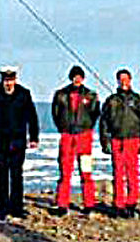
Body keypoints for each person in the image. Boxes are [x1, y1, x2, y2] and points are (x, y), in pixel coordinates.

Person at [0, 66, 39, 220]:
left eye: (10, 80)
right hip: (0, 141)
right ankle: (3, 207)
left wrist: (34, 137)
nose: (8, 83)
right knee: (1, 174)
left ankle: (17, 207)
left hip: (18, 141)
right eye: (6, 80)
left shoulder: (24, 94)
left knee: (16, 175)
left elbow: (32, 117)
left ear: (15, 79)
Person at [99, 68, 140, 218]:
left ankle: (131, 203)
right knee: (118, 173)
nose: (123, 82)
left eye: (126, 79)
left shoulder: (137, 100)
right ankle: (119, 204)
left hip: (132, 139)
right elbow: (104, 122)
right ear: (117, 81)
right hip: (116, 139)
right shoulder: (112, 100)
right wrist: (105, 141)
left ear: (130, 80)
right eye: (121, 79)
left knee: (132, 173)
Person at [49, 65, 101, 216]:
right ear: (71, 78)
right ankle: (62, 204)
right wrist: (63, 127)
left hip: (84, 137)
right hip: (67, 136)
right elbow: (55, 113)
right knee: (65, 171)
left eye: (79, 77)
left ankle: (89, 204)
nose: (77, 79)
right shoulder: (60, 94)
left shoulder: (91, 95)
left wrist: (87, 126)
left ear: (83, 78)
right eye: (74, 76)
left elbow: (95, 113)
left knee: (86, 171)